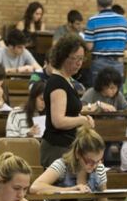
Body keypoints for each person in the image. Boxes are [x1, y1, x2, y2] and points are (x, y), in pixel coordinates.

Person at [40, 34, 94, 168]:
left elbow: (70, 111)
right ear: (63, 57)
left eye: (81, 59)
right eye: (75, 58)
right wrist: (82, 120)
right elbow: (58, 121)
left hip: (67, 145)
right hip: (57, 148)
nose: (79, 63)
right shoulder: (58, 83)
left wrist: (83, 116)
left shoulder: (67, 81)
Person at [31, 126, 107, 201]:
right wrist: (70, 190)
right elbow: (35, 187)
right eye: (90, 161)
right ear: (77, 153)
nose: (94, 166)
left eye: (98, 161)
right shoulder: (62, 165)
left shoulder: (99, 169)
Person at [84, 0, 127, 83]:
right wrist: (115, 46)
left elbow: (89, 46)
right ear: (111, 2)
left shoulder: (92, 20)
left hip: (99, 62)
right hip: (118, 62)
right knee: (116, 93)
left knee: (98, 93)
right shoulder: (123, 20)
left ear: (97, 3)